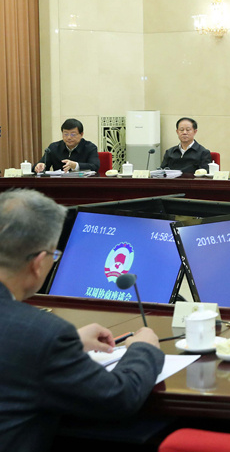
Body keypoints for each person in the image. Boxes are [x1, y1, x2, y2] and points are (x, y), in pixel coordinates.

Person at [0, 189, 163, 451]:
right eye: (54, 256)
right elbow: (119, 397)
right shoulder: (43, 335)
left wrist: (68, 344)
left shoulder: (38, 336)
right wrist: (143, 349)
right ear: (38, 264)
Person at [34, 119, 100, 173]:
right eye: (65, 134)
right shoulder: (54, 147)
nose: (69, 137)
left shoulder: (90, 147)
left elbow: (95, 166)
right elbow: (42, 165)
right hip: (59, 183)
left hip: (82, 183)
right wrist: (39, 167)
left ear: (81, 134)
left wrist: (75, 165)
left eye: (73, 134)